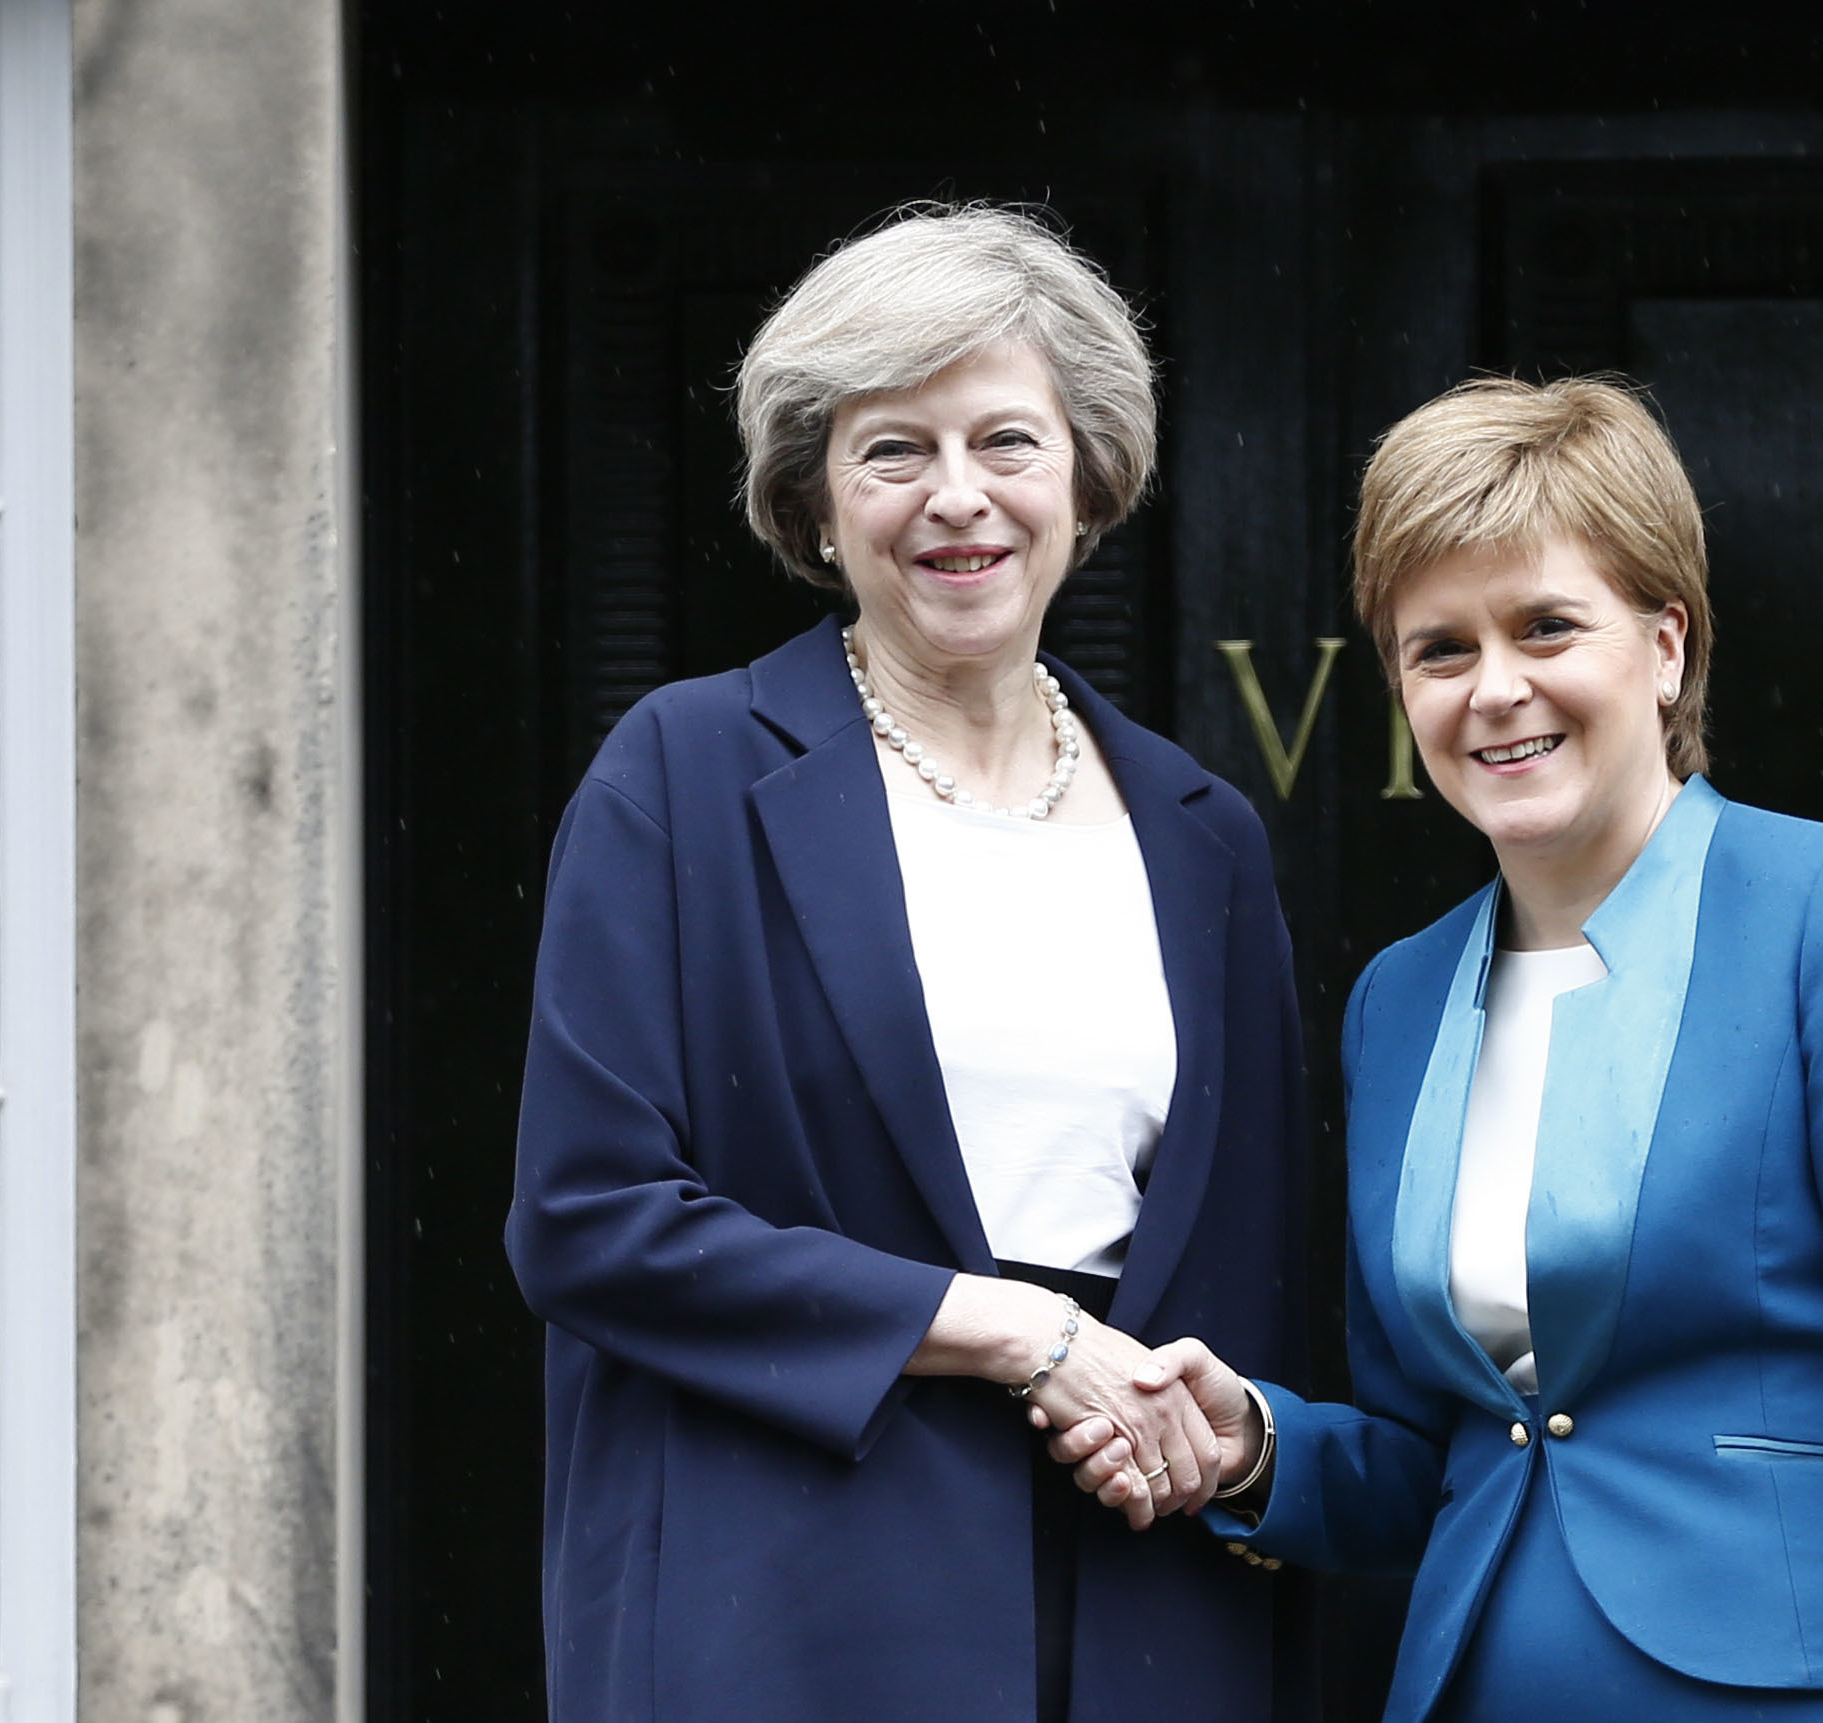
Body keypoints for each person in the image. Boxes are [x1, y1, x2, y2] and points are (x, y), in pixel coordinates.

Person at [1054, 376, 1823, 1721]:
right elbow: (1439, 1460)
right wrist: (1259, 1448)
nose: (1495, 688)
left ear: (1666, 644)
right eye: (1439, 649)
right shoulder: (1399, 1000)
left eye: (1547, 627)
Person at [506, 205, 1302, 1723]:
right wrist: (1024, 1334)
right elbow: (586, 1220)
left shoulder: (1206, 840)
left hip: (1142, 1606)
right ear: (814, 500)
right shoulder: (677, 773)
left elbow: (1254, 1294)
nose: (959, 499)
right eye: (893, 451)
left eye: (1008, 439)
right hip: (790, 1607)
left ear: (1089, 474)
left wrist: (1231, 1444)